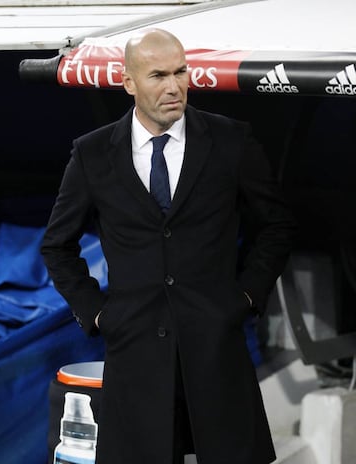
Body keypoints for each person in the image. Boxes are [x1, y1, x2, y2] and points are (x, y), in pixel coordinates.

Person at [41, 28, 297, 464]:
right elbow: (57, 246)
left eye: (181, 72)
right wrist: (98, 312)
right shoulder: (93, 154)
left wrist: (246, 296)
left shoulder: (231, 141)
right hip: (135, 353)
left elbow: (276, 226)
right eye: (158, 75)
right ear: (129, 83)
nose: (174, 86)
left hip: (216, 349)